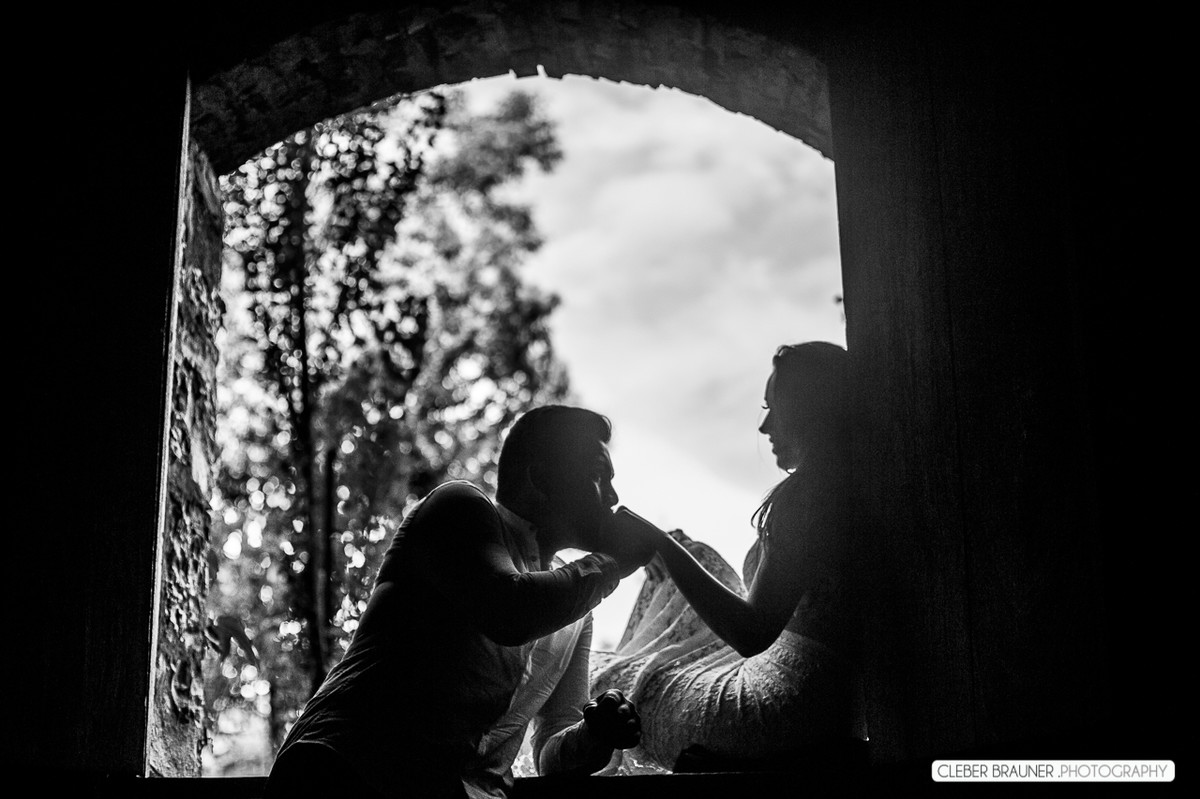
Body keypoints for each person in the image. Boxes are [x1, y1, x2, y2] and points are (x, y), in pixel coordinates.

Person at [264, 405, 654, 799]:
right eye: (597, 476)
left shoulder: (574, 611)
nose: (613, 496)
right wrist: (612, 561)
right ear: (542, 477)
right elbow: (509, 611)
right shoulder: (458, 507)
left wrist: (595, 733)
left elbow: (552, 754)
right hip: (341, 775)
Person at [592, 342, 864, 773]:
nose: (764, 426)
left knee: (610, 684)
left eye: (773, 406)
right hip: (831, 706)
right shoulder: (851, 486)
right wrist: (676, 551)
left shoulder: (808, 498)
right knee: (692, 555)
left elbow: (752, 632)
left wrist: (660, 544)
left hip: (778, 713)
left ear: (809, 411)